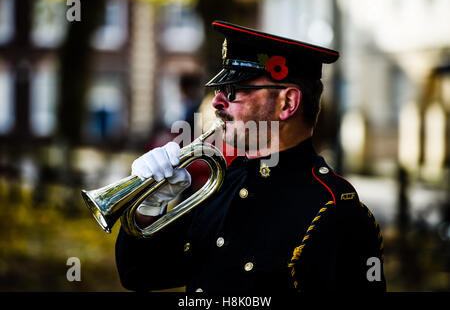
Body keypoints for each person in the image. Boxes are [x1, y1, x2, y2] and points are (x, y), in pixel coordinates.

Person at [115, 20, 386, 293]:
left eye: (234, 90)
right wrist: (147, 209)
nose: (217, 102)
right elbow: (138, 274)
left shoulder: (334, 208)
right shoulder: (220, 186)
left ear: (287, 103)